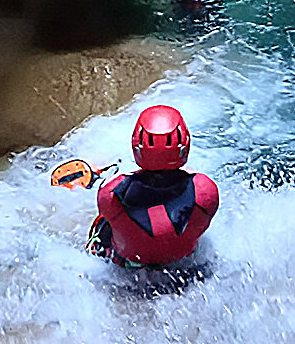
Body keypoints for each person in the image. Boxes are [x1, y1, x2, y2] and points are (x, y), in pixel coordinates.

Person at [91, 105, 219, 266]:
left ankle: (93, 248)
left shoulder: (110, 192)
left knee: (103, 221)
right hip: (183, 266)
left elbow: (119, 184)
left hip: (128, 269)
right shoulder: (206, 189)